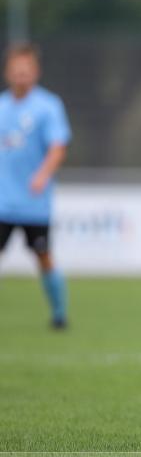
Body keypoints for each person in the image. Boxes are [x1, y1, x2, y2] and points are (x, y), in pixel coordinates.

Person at [0, 43, 71, 330]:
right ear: (8, 72)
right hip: (3, 201)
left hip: (33, 203)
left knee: (44, 257)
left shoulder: (48, 106)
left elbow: (58, 145)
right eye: (16, 71)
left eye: (26, 71)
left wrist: (43, 174)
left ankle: (59, 315)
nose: (21, 76)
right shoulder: (2, 106)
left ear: (36, 72)